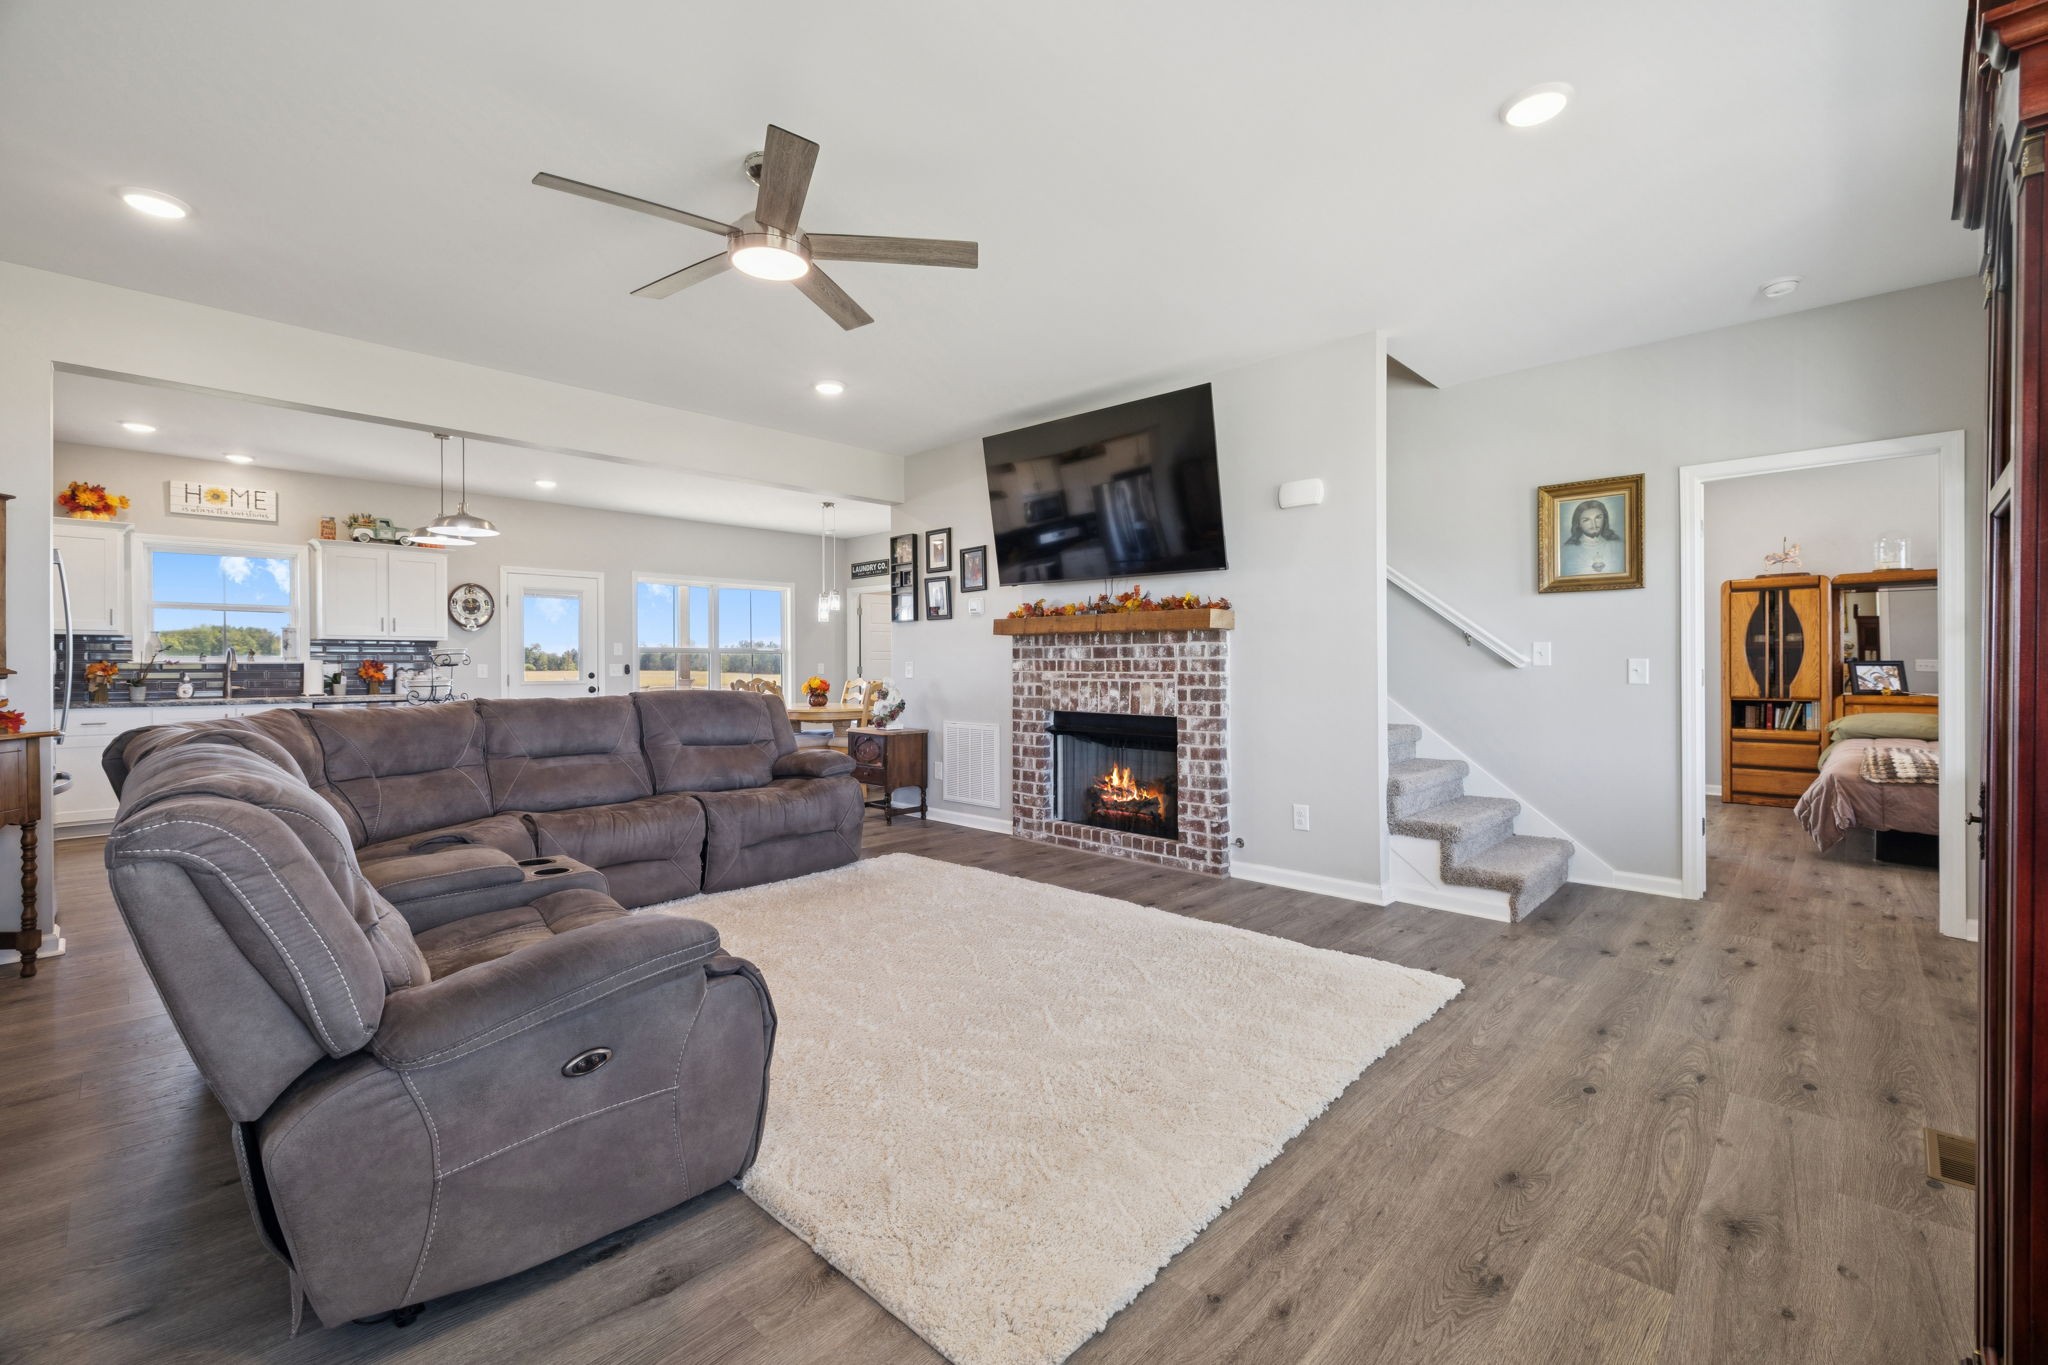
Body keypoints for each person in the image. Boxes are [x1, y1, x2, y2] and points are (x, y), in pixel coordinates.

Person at [1559, 498, 1625, 576]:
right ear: (1578, 523)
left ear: (1605, 519)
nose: (1594, 524)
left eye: (1598, 518)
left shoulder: (1619, 546)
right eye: (1586, 520)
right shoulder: (1566, 551)